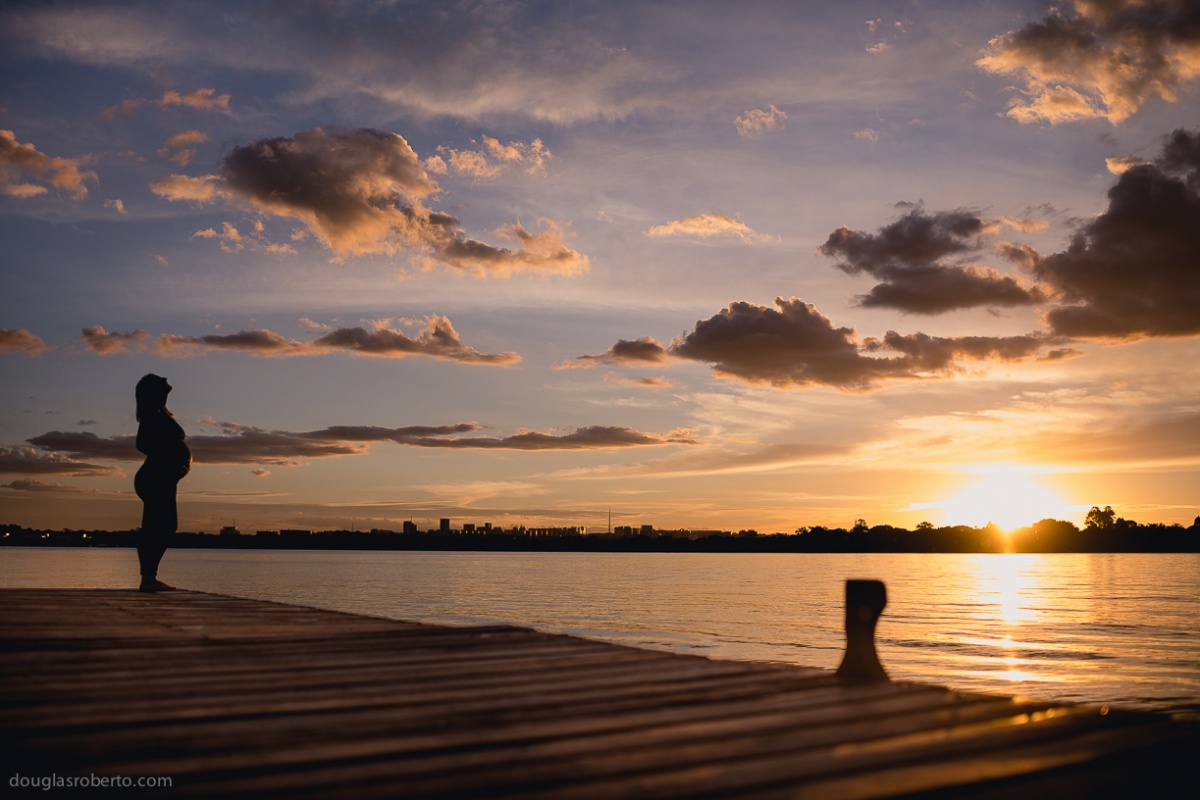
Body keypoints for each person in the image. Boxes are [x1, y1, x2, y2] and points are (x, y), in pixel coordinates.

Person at [134, 374, 191, 592]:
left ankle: (149, 577)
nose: (166, 377)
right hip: (156, 477)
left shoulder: (159, 413)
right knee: (157, 527)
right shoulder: (151, 413)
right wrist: (165, 456)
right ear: (152, 390)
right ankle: (148, 578)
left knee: (163, 526)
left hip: (162, 477)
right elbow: (142, 444)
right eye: (160, 379)